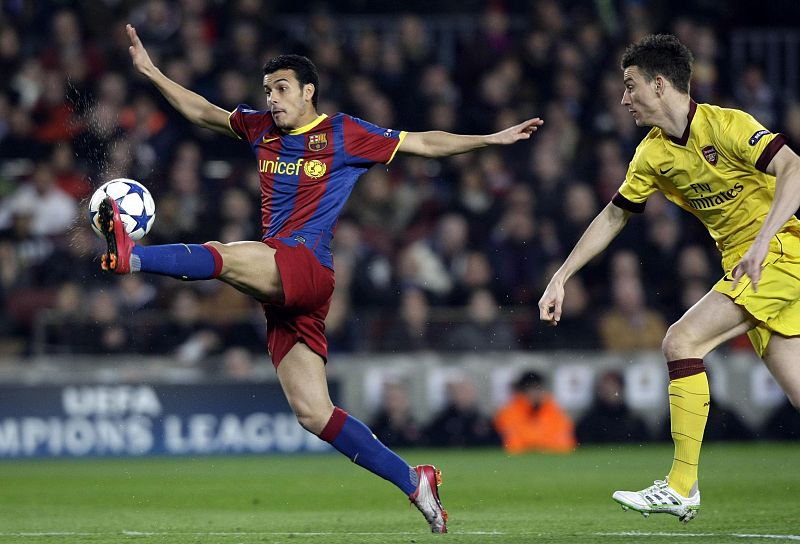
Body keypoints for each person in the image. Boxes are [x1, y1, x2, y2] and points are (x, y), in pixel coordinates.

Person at [95, 24, 544, 534]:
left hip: (306, 264)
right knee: (314, 413)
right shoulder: (260, 128)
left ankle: (134, 259)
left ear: (309, 91)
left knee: (223, 254)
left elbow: (422, 142)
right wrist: (152, 72)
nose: (272, 98)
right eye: (267, 90)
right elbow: (202, 110)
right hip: (284, 290)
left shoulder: (344, 133)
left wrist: (489, 138)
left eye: (281, 88)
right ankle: (414, 480)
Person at [538, 34, 800, 523]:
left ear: (659, 85)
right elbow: (615, 216)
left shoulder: (726, 126)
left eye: (630, 85)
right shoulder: (652, 155)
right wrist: (562, 275)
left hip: (782, 252)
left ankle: (682, 486)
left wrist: (763, 241)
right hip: (748, 265)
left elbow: (794, 168)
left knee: (681, 341)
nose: (624, 98)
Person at [493, 370, 576, 454]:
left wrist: (537, 446)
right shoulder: (509, 412)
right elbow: (512, 444)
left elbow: (564, 443)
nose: (535, 394)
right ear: (522, 392)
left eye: (538, 389)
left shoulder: (554, 410)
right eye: (531, 390)